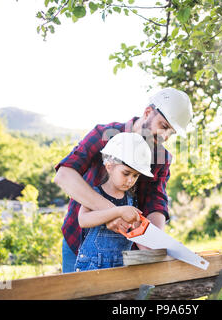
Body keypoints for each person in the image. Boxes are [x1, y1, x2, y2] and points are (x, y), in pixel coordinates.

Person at [54, 87, 193, 273]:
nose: (165, 137)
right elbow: (65, 175)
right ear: (148, 113)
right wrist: (113, 212)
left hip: (122, 253)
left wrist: (154, 240)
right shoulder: (105, 134)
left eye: (171, 132)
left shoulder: (162, 157)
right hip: (79, 244)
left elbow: (156, 202)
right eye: (163, 126)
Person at [74, 132, 153, 271]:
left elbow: (133, 232)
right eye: (126, 173)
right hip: (92, 265)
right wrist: (118, 211)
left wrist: (143, 230)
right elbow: (83, 220)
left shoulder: (131, 198)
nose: (130, 180)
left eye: (135, 176)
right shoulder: (95, 193)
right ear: (109, 166)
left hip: (121, 265)